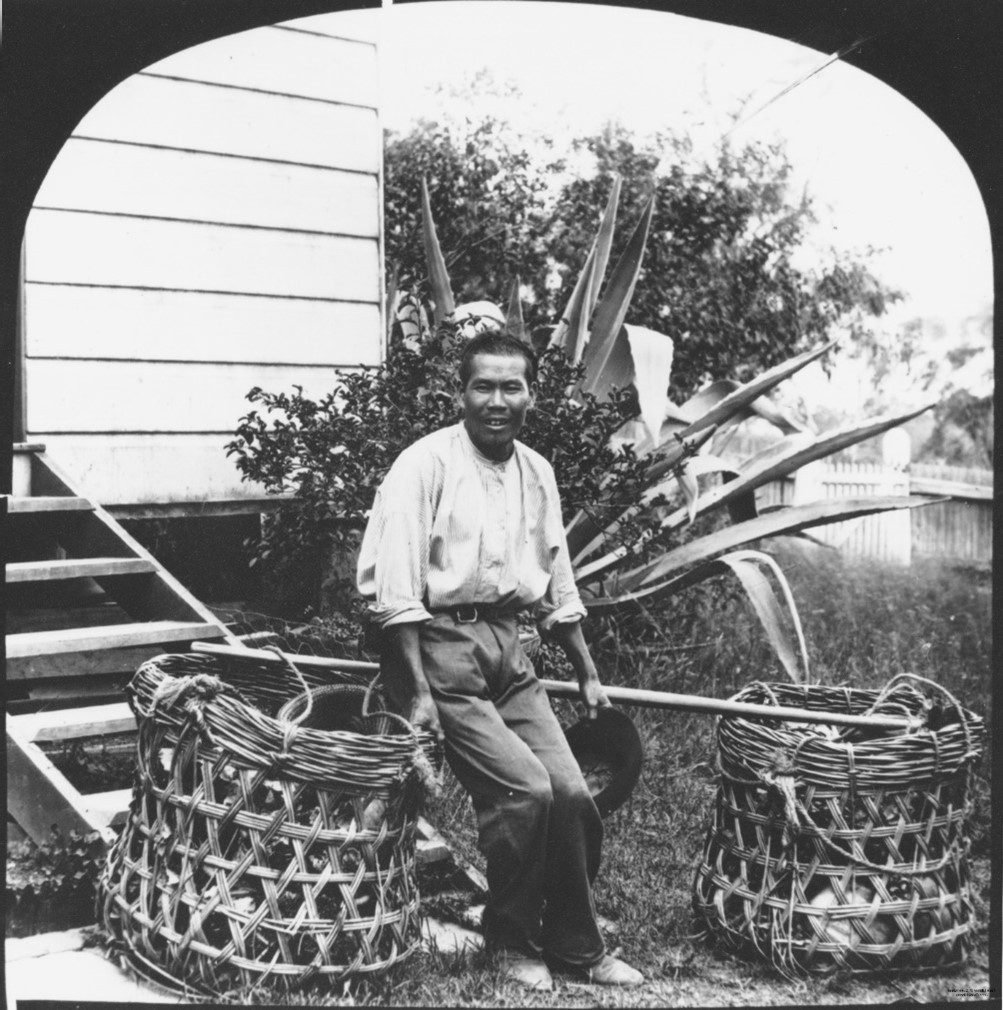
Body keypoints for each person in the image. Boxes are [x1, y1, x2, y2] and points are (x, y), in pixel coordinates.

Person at [357, 329, 644, 990]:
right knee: (524, 790)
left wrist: (587, 672)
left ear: (530, 395)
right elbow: (395, 593)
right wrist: (419, 692)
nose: (495, 400)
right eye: (481, 385)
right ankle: (509, 938)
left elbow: (558, 580)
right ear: (460, 392)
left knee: (570, 793)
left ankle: (575, 943)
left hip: (510, 650)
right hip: (437, 648)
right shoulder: (423, 465)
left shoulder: (535, 471)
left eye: (509, 386)